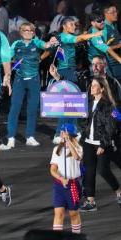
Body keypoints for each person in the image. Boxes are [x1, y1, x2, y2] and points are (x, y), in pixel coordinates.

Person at [0, 22, 58, 149]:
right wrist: (7, 74)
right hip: (19, 80)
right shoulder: (16, 44)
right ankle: (11, 138)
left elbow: (46, 45)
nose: (28, 32)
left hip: (34, 80)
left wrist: (51, 41)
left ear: (33, 32)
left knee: (32, 109)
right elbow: (6, 58)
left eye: (31, 30)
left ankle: (30, 137)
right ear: (21, 32)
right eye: (25, 30)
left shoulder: (36, 42)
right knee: (15, 108)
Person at [52, 16, 103, 144]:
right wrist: (95, 34)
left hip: (71, 70)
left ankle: (73, 130)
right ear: (64, 26)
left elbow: (80, 36)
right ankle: (59, 132)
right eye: (71, 24)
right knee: (67, 103)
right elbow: (79, 38)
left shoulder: (65, 37)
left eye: (75, 25)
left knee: (74, 102)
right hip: (65, 71)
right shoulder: (64, 36)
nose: (74, 26)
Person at [79, 76, 121, 212]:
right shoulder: (88, 102)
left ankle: (118, 190)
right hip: (88, 142)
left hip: (101, 143)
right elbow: (85, 122)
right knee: (88, 172)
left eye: (95, 85)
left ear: (102, 88)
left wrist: (103, 144)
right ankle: (90, 201)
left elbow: (111, 127)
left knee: (103, 170)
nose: (92, 87)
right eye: (92, 84)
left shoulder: (109, 106)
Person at [50, 123, 83, 234]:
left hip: (72, 185)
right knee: (58, 213)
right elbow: (53, 169)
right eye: (62, 132)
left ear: (71, 135)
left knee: (73, 214)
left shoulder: (78, 148)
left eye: (65, 132)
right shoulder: (56, 149)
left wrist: (68, 142)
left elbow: (77, 157)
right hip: (59, 186)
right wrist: (61, 178)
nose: (62, 134)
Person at [103, 3, 121, 83]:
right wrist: (118, 46)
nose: (116, 14)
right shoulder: (104, 29)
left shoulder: (114, 25)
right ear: (106, 14)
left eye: (116, 11)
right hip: (112, 65)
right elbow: (103, 48)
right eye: (113, 12)